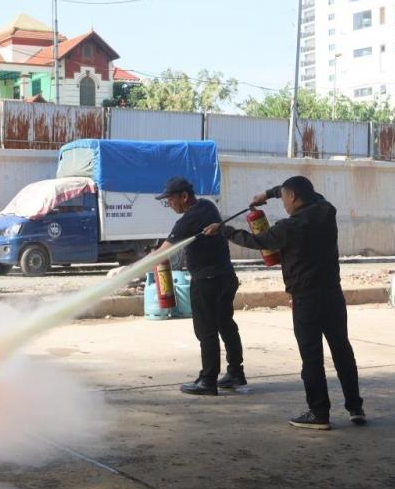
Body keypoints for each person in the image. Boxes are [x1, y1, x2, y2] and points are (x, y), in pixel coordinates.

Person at [203, 176, 365, 430]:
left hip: (306, 299)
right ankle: (355, 407)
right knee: (342, 351)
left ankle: (319, 413)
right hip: (333, 295)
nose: (285, 205)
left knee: (311, 357)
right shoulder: (326, 210)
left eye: (286, 198)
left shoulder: (290, 226)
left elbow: (256, 241)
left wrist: (223, 230)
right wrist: (270, 192)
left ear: (292, 197)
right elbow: (308, 194)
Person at [154, 176, 245, 397]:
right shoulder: (207, 206)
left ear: (184, 197)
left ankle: (208, 381)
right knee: (225, 324)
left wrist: (128, 270)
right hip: (225, 276)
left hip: (207, 282)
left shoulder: (188, 219)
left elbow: (162, 252)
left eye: (171, 200)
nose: (169, 205)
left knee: (206, 330)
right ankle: (235, 373)